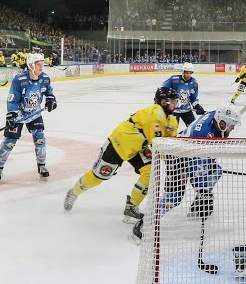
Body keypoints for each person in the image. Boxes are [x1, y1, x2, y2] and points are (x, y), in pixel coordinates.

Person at [130, 105, 245, 247]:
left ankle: (198, 205)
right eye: (230, 126)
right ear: (222, 122)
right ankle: (144, 224)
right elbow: (196, 174)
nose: (232, 129)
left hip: (189, 151)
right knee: (174, 197)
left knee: (216, 171)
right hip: (177, 156)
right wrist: (203, 190)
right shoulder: (203, 136)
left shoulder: (215, 116)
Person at [64, 86, 179, 223]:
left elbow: (168, 142)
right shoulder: (156, 115)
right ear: (162, 101)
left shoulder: (171, 120)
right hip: (119, 143)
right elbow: (157, 144)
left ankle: (131, 206)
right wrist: (171, 161)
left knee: (149, 171)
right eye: (171, 100)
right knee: (99, 176)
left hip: (137, 147)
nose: (174, 103)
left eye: (174, 100)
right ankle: (74, 192)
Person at [0, 53, 57, 182]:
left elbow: (49, 91)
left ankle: (42, 166)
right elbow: (12, 99)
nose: (41, 67)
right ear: (31, 65)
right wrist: (11, 114)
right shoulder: (19, 79)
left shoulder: (45, 78)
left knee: (40, 138)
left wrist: (51, 99)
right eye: (38, 64)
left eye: (42, 64)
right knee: (10, 141)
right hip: (19, 114)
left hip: (35, 113)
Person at [161, 63, 204, 133]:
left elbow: (193, 98)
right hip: (174, 111)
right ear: (183, 72)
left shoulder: (194, 83)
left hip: (186, 110)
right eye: (186, 73)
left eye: (190, 73)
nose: (188, 75)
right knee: (171, 131)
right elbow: (163, 89)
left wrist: (197, 106)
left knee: (194, 130)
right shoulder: (174, 80)